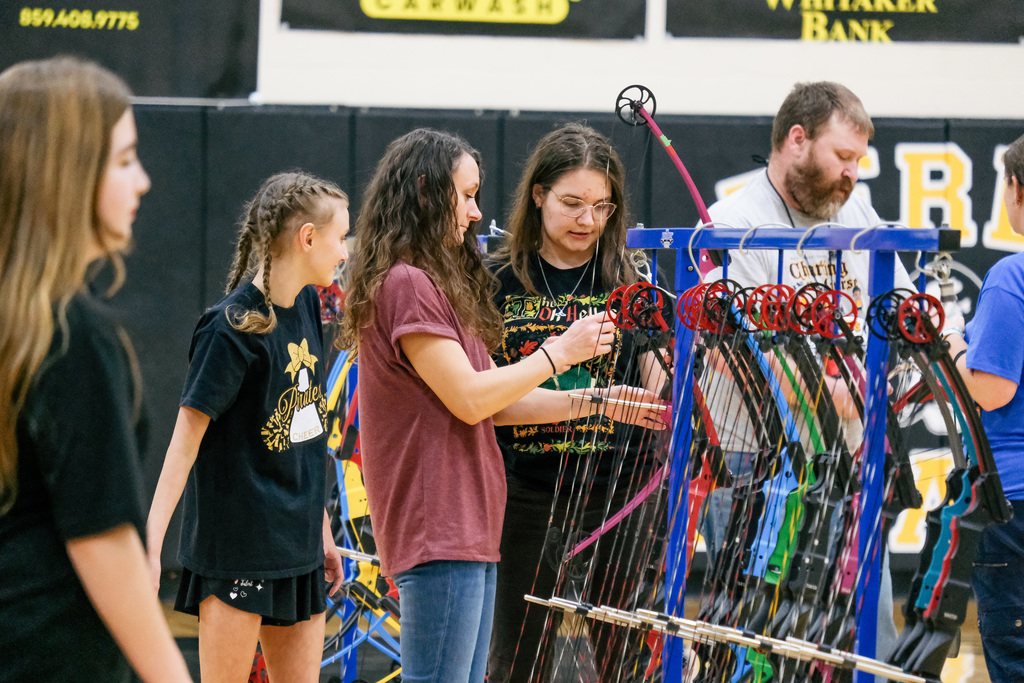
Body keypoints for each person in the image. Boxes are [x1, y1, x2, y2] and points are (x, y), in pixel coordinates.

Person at [338, 127, 664, 683]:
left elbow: (497, 400)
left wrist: (601, 402)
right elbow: (472, 399)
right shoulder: (413, 284)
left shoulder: (437, 282)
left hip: (478, 519)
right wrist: (559, 353)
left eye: (602, 207)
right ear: (426, 193)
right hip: (454, 519)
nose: (475, 212)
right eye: (466, 196)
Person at [702, 81, 916, 666]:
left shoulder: (859, 213)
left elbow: (901, 314)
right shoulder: (731, 222)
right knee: (757, 645)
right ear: (796, 140)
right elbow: (732, 350)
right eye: (842, 156)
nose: (852, 174)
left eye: (858, 161)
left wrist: (888, 380)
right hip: (756, 466)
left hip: (848, 464)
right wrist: (840, 394)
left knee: (867, 638)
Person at [0, 57, 192, 682]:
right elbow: (103, 541)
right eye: (124, 160)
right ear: (68, 172)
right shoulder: (71, 335)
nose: (144, 182)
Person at [146, 171, 349, 683]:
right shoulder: (229, 327)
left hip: (298, 549)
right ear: (307, 238)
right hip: (238, 551)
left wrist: (321, 530)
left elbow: (305, 438)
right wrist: (149, 548)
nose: (345, 252)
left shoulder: (307, 303)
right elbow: (183, 445)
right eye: (340, 237)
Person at [486, 122, 669, 682]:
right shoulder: (493, 280)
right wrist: (597, 397)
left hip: (619, 492)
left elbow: (660, 388)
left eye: (602, 207)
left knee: (621, 664)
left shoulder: (633, 280)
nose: (587, 220)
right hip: (524, 492)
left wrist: (682, 373)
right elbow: (487, 400)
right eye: (571, 203)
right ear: (538, 195)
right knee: (516, 661)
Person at [944, 132, 1024, 683]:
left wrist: (953, 345)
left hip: (1012, 504)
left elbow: (992, 391)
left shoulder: (1011, 276)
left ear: (1016, 188)